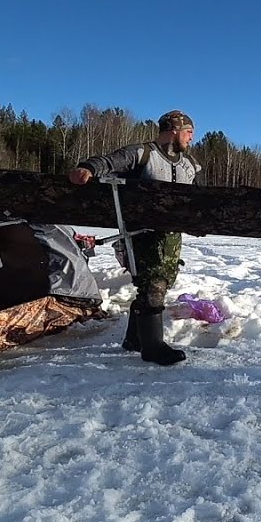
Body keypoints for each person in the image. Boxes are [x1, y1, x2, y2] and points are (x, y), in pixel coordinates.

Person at [67, 109, 201, 366]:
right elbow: (108, 162)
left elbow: (199, 200)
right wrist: (87, 168)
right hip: (141, 234)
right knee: (154, 284)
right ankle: (152, 347)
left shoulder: (191, 165)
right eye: (189, 133)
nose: (191, 139)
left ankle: (134, 339)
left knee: (157, 282)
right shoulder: (142, 154)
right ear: (174, 130)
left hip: (172, 239)